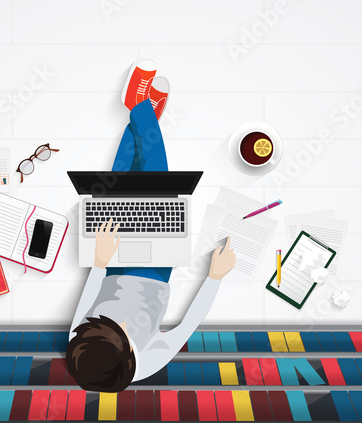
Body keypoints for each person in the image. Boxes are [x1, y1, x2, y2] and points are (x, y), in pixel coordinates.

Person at [66, 59, 236, 392]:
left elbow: (88, 298)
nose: (125, 321)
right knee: (158, 184)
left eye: (110, 323)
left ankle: (140, 110)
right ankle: (142, 112)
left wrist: (100, 260)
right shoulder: (152, 361)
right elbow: (188, 323)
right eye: (126, 333)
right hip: (156, 275)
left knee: (119, 182)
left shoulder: (79, 344)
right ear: (132, 360)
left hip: (111, 269)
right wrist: (215, 277)